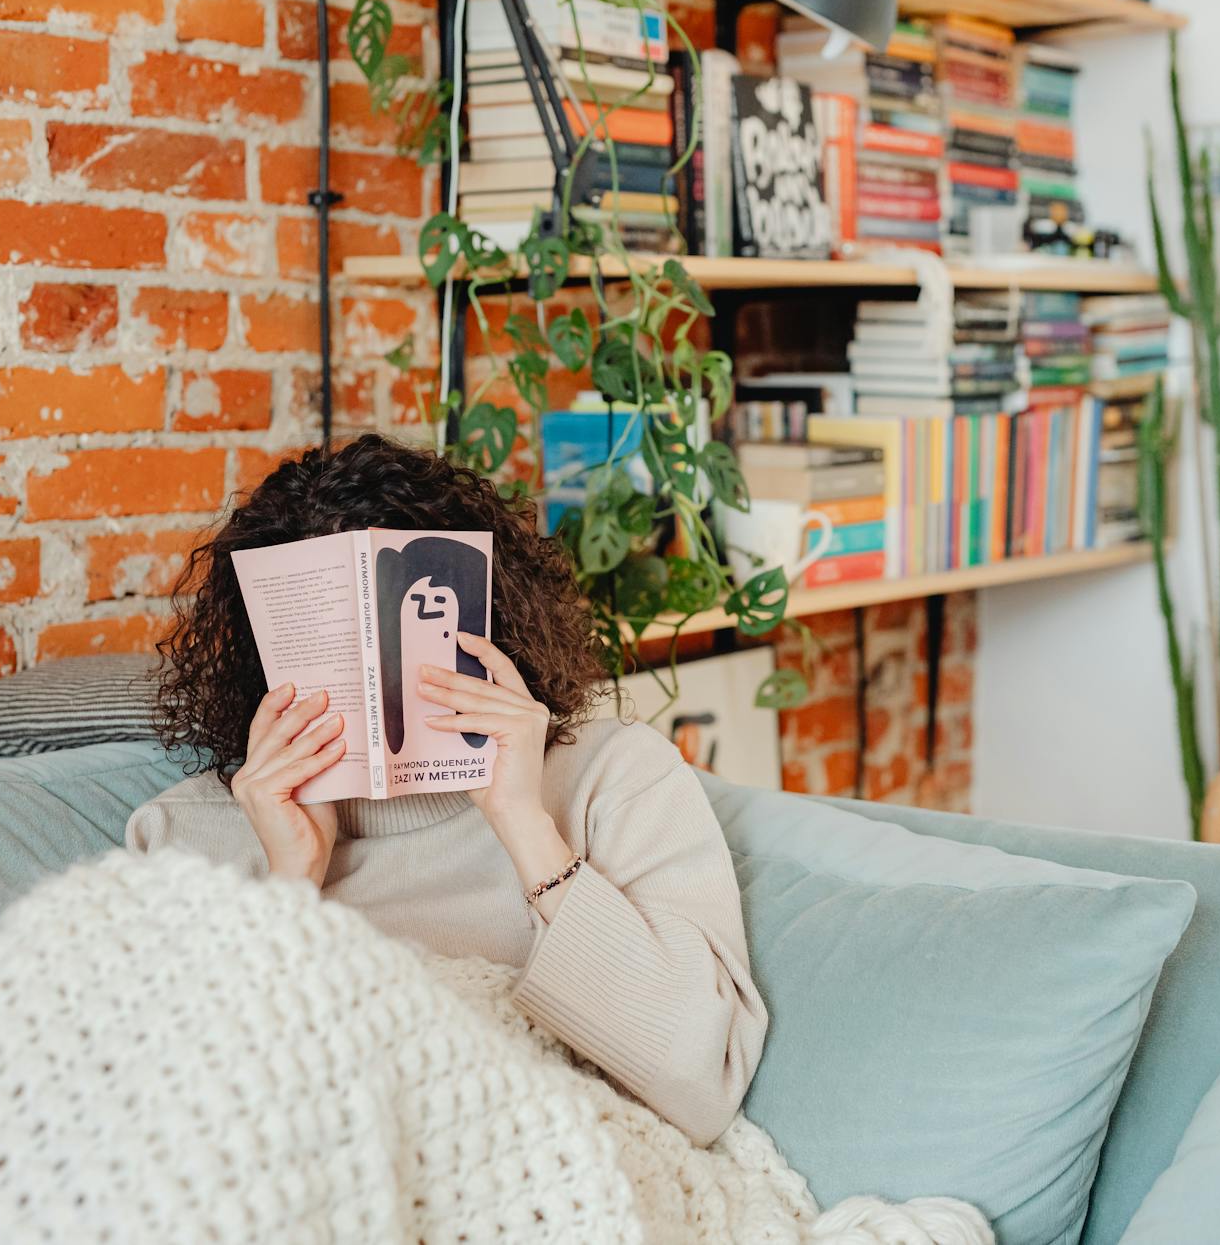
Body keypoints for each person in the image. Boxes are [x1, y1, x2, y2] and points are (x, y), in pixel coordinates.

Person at [132, 433, 766, 1145]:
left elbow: (705, 1081)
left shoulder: (614, 775)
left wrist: (525, 825)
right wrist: (291, 884)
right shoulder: (185, 832)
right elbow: (172, 1121)